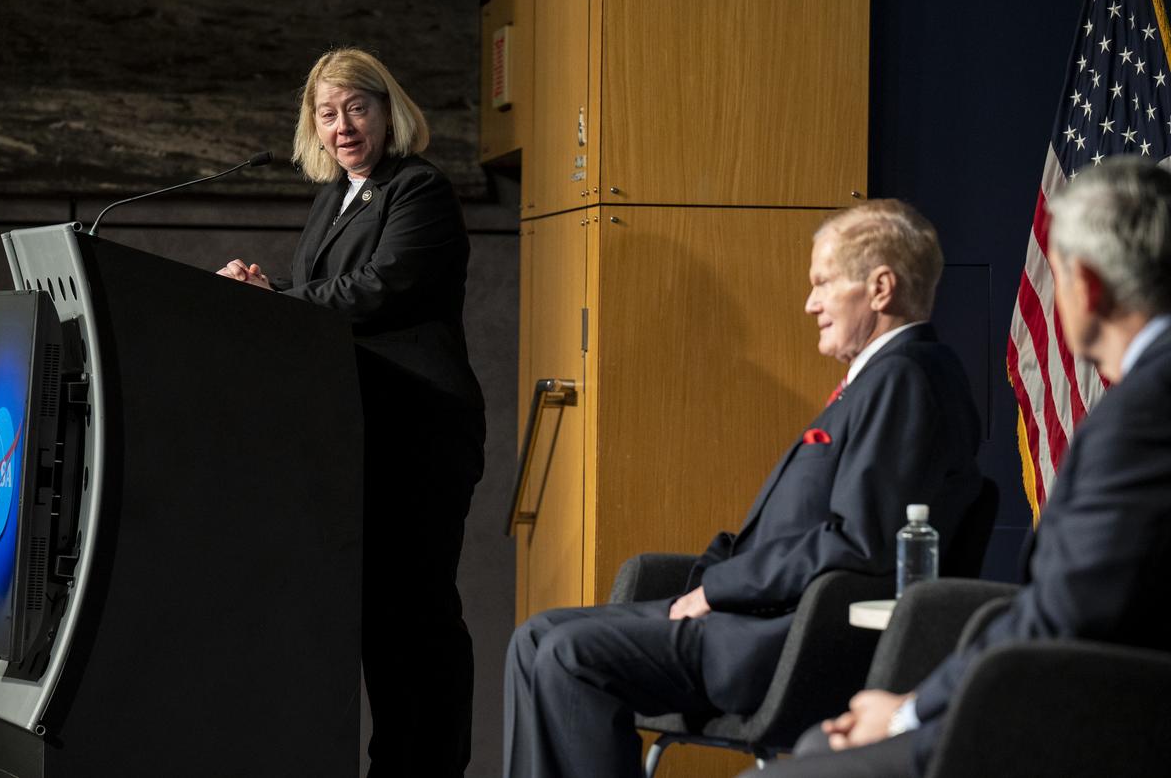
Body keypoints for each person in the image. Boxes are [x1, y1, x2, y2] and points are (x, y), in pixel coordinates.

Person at [503, 200, 983, 778]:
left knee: (569, 655)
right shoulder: (884, 378)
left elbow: (858, 543)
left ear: (880, 288)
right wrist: (706, 577)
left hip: (782, 638)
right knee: (534, 637)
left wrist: (716, 590)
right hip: (749, 612)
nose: (809, 304)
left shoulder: (907, 378)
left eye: (823, 284)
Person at [754, 157, 1171, 778]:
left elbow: (1065, 614)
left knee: (808, 764)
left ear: (1085, 284)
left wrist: (907, 711)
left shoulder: (1141, 417)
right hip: (1091, 695)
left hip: (1094, 719)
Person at [217, 47, 485, 777]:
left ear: (387, 109)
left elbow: (380, 287)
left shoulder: (418, 189)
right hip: (362, 436)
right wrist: (264, 291)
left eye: (356, 108)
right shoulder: (336, 196)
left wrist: (278, 301)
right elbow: (326, 296)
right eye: (327, 114)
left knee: (418, 619)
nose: (342, 127)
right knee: (380, 623)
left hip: (420, 435)